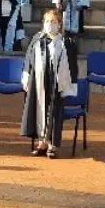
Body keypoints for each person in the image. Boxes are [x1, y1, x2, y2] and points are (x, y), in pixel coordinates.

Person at [20, 8, 79, 158]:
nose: (49, 24)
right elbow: (29, 59)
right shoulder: (37, 39)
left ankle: (52, 145)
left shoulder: (66, 42)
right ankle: (42, 142)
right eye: (46, 21)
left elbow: (73, 65)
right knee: (39, 110)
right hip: (38, 81)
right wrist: (26, 76)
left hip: (56, 83)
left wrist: (71, 84)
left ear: (59, 24)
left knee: (54, 114)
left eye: (52, 22)